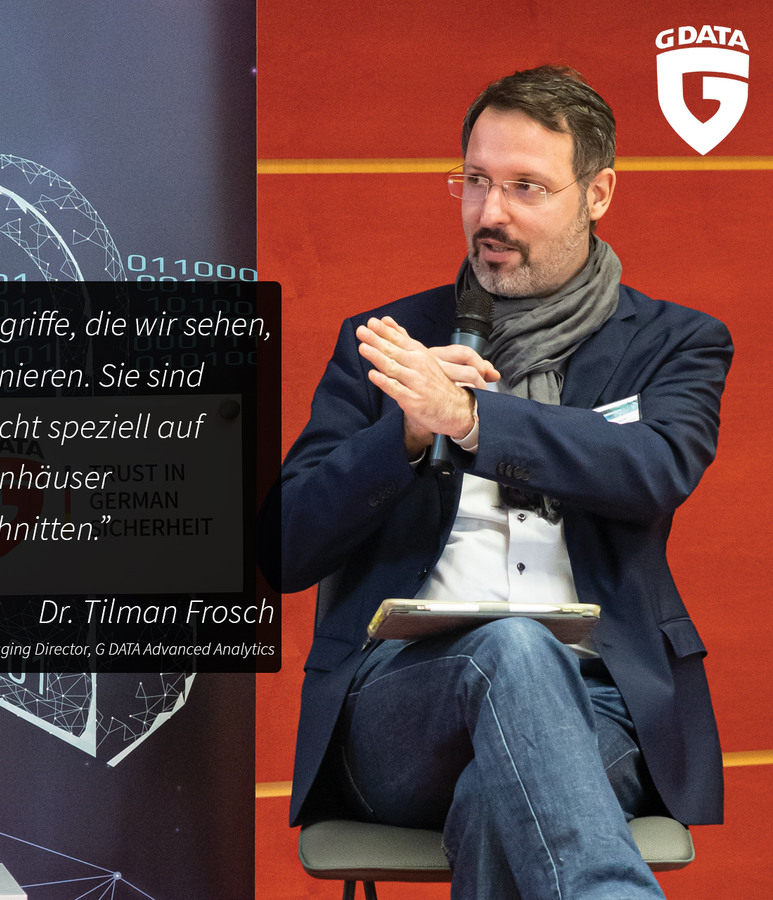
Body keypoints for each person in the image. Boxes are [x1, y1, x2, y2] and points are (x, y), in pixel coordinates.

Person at [259, 65, 732, 899]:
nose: (491, 213)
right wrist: (407, 432)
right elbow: (286, 547)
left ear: (597, 193)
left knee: (497, 796)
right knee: (511, 647)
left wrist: (475, 421)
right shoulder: (391, 346)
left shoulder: (674, 343)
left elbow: (652, 470)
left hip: (601, 705)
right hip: (402, 709)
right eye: (475, 181)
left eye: (525, 187)